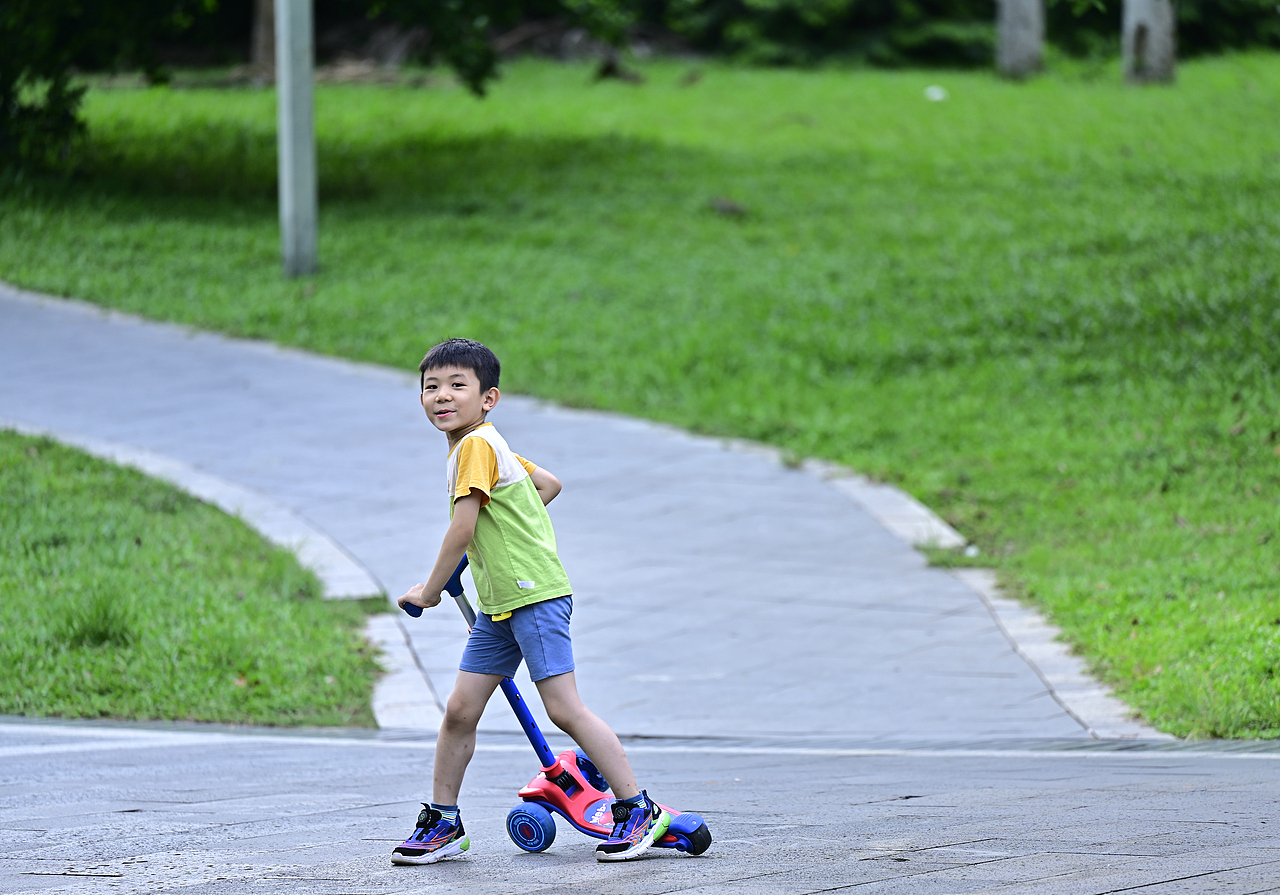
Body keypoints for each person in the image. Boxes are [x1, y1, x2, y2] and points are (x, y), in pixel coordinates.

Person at [392, 338, 670, 865]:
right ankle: (444, 821)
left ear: (488, 398)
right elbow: (547, 484)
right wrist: (511, 534)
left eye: (457, 386)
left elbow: (462, 527)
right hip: (500, 605)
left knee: (564, 708)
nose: (441, 397)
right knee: (459, 711)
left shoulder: (474, 447)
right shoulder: (490, 445)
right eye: (431, 387)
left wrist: (430, 591)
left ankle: (639, 810)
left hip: (533, 598)